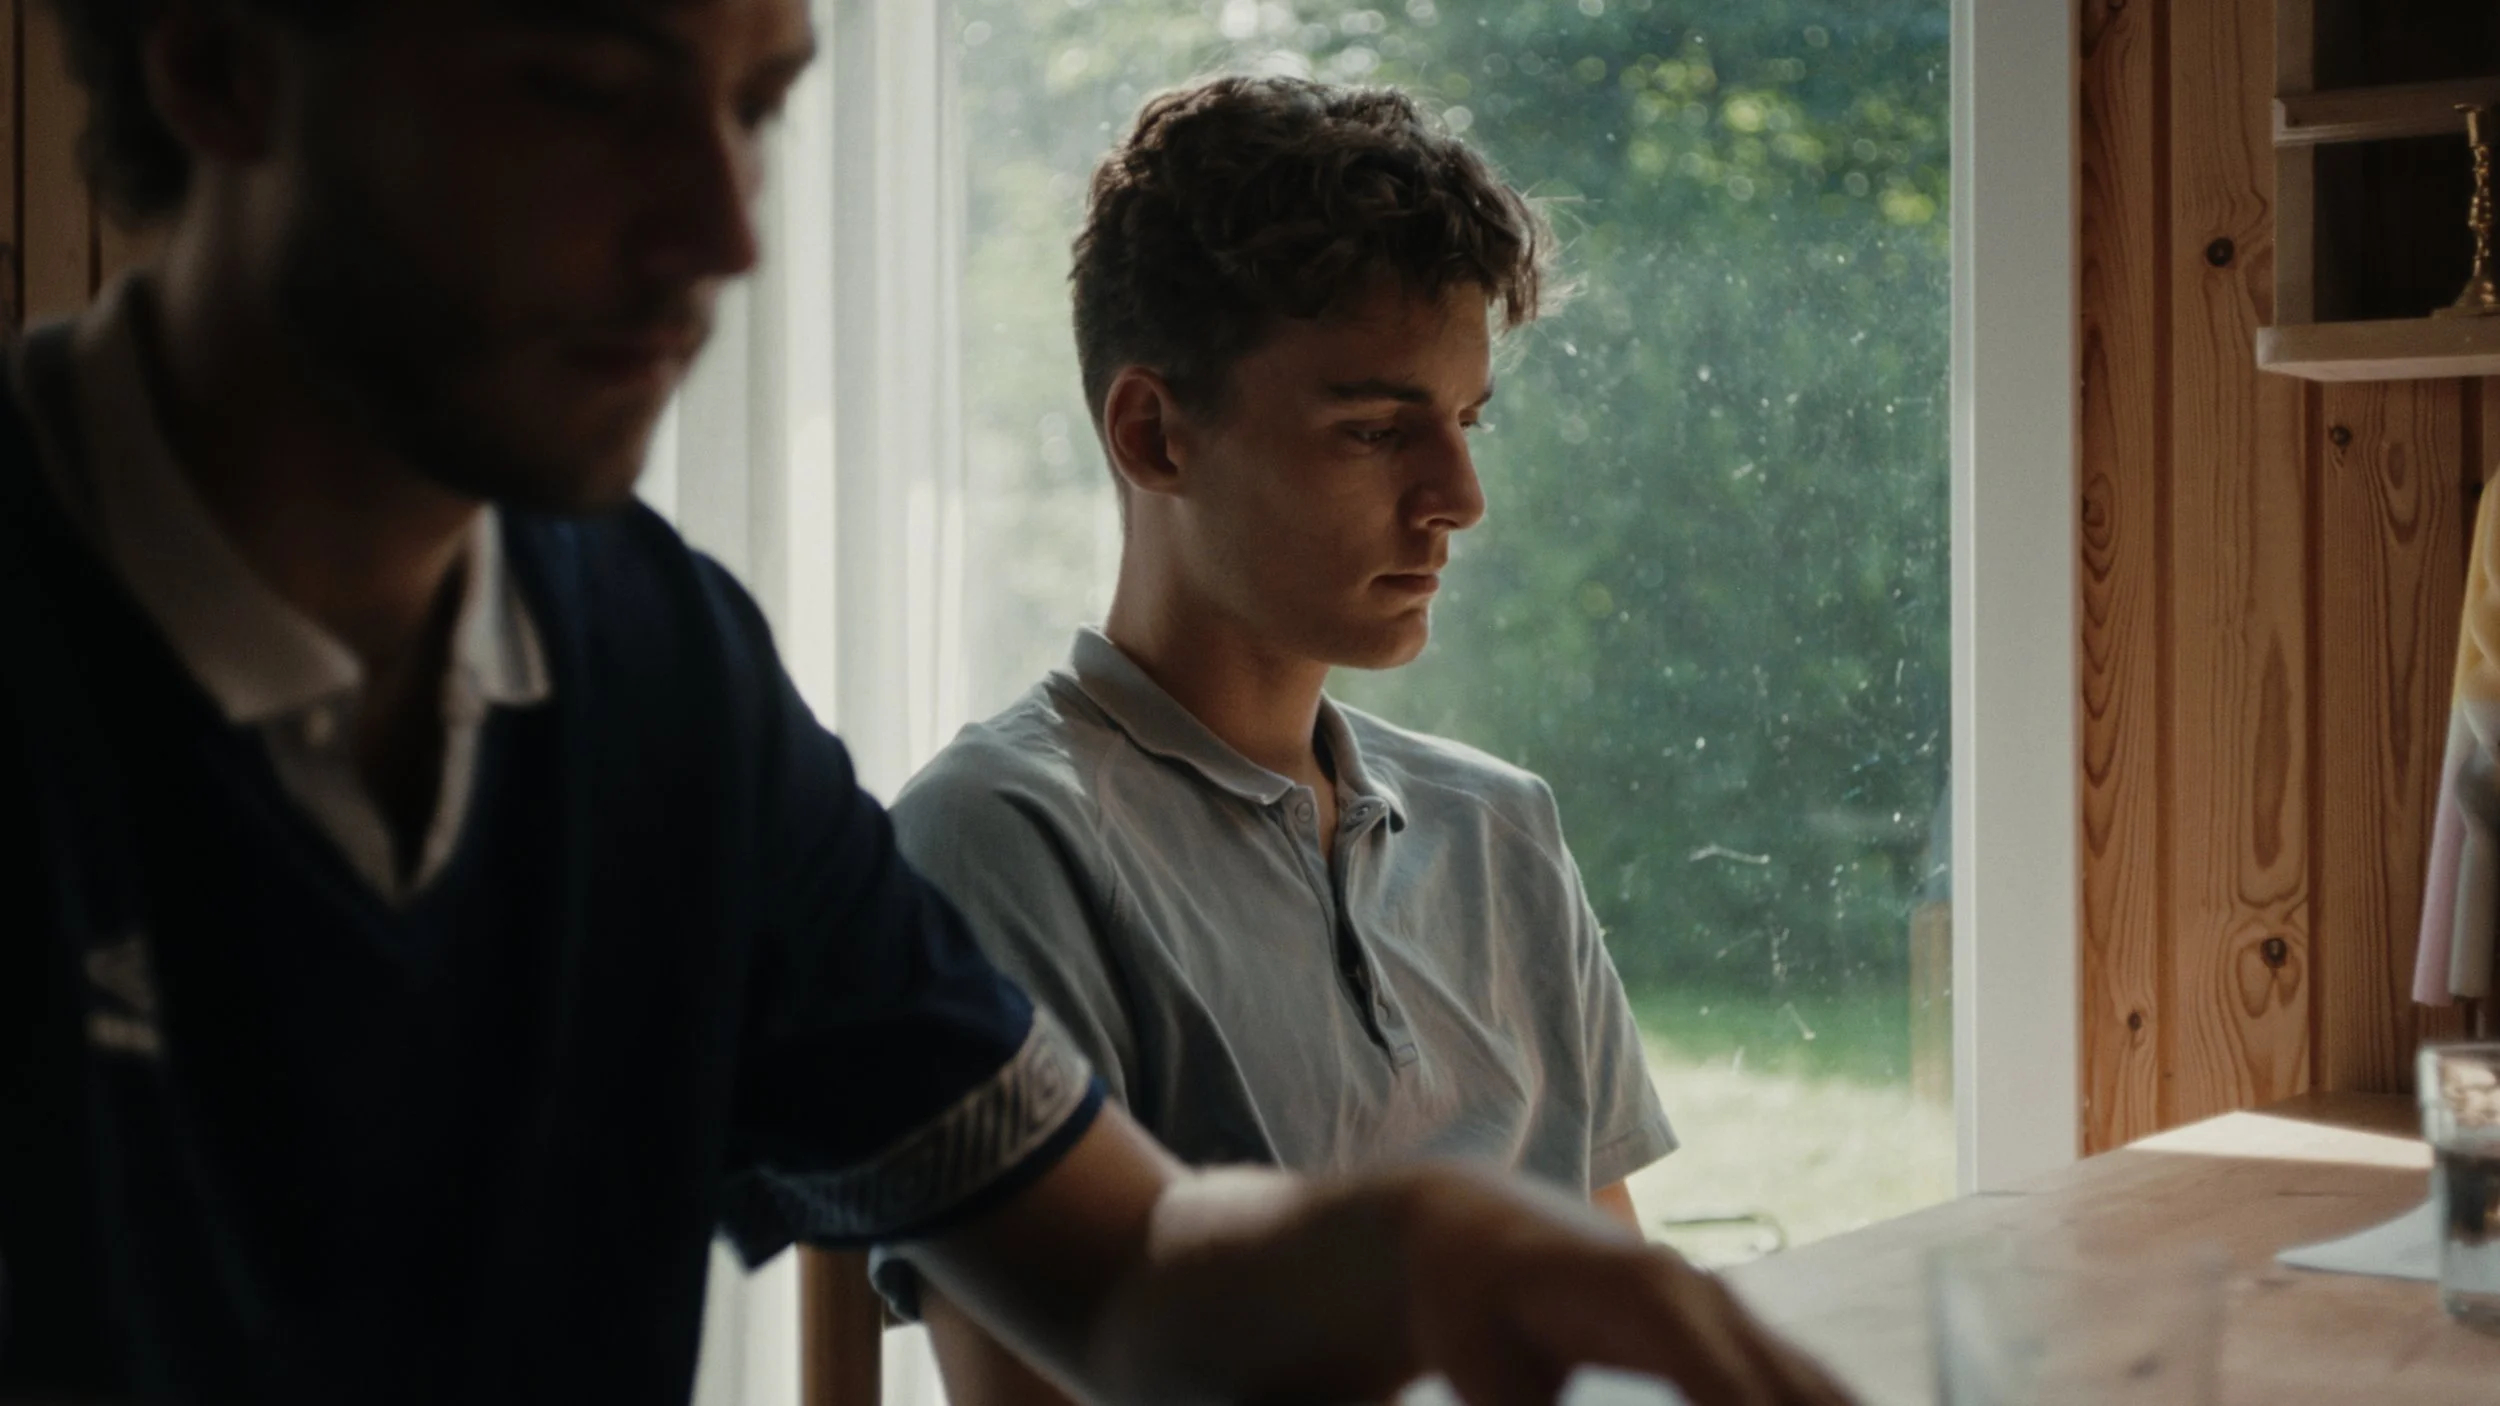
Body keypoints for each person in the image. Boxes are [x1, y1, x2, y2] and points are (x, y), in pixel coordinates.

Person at [0, 2, 1851, 1404]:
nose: (722, 228)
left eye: (753, 107)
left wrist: (1440, 1241)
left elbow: (1123, 1269)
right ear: (224, 67)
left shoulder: (665, 674)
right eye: (590, 89)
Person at [888, 76, 1683, 1406]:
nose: (1459, 498)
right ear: (1153, 433)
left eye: (1466, 421)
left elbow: (1618, 1330)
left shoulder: (1499, 827)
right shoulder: (999, 840)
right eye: (1374, 430)